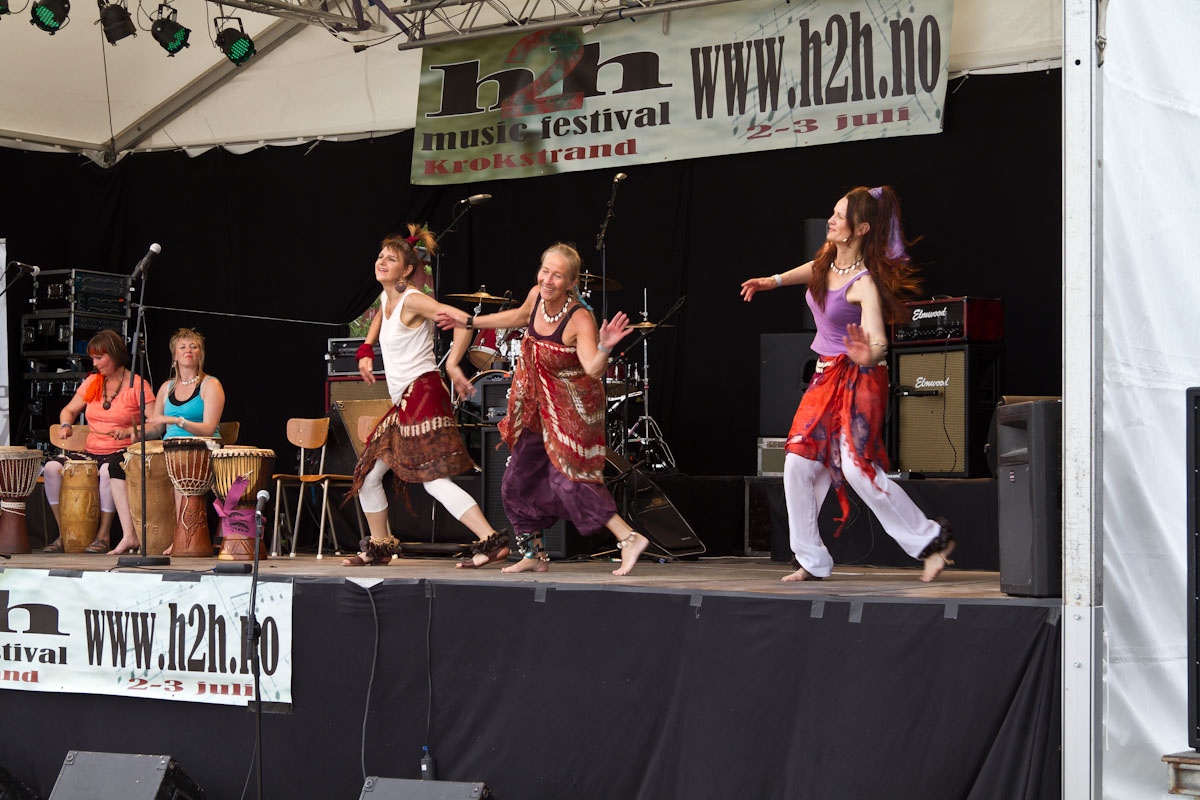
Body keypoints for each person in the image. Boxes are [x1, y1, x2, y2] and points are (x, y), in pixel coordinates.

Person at [739, 185, 955, 583]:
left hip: (862, 377)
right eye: (833, 212)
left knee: (857, 470)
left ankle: (931, 541)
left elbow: (879, 342)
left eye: (840, 216)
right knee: (798, 463)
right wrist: (773, 280)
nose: (831, 220)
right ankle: (810, 559)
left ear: (861, 228)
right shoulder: (828, 258)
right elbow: (814, 269)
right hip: (826, 376)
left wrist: (866, 354)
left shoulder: (864, 283)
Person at [438, 243, 649, 577]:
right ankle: (534, 554)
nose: (548, 280)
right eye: (545, 271)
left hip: (573, 408)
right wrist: (471, 320)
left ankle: (629, 537)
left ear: (571, 282)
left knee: (568, 480)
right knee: (516, 480)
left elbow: (593, 368)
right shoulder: (536, 295)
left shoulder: (579, 318)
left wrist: (605, 347)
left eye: (557, 275)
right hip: (538, 405)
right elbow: (519, 316)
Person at [344, 225, 510, 568]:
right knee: (368, 475)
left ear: (407, 270)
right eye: (380, 256)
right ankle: (380, 546)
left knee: (433, 481)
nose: (381, 262)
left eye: (391, 259)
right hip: (406, 398)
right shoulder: (387, 298)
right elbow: (379, 320)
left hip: (422, 393)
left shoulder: (414, 299)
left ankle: (490, 540)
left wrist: (453, 364)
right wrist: (365, 349)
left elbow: (464, 322)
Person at [41, 329, 155, 554]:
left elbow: (156, 425)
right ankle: (66, 533)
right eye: (93, 358)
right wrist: (66, 425)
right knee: (52, 468)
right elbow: (69, 410)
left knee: (106, 470)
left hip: (122, 453)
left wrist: (130, 431)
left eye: (99, 357)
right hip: (91, 452)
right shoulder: (93, 381)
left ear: (114, 354)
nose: (95, 363)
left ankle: (103, 535)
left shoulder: (138, 384)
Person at [122, 327, 227, 556]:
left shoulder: (211, 385)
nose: (189, 350)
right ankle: (147, 536)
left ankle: (182, 537)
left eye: (194, 346)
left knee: (182, 468)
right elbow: (157, 427)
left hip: (202, 449)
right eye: (183, 347)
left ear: (200, 354)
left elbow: (209, 428)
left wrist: (177, 421)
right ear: (174, 355)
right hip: (170, 451)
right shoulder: (166, 388)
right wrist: (137, 433)